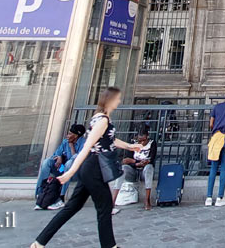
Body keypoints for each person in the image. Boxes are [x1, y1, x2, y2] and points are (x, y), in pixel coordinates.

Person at [30, 87, 142, 248]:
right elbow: (87, 147)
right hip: (94, 168)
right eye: (117, 98)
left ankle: (39, 242)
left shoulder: (98, 118)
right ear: (110, 100)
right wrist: (70, 172)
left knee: (71, 207)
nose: (119, 101)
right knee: (104, 209)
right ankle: (110, 246)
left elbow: (110, 140)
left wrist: (131, 146)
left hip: (90, 168)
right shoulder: (102, 120)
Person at [35, 123, 86, 210]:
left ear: (77, 136)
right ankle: (40, 193)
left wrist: (71, 146)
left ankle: (61, 198)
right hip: (63, 169)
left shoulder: (83, 143)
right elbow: (55, 155)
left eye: (70, 134)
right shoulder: (65, 141)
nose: (67, 135)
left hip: (75, 172)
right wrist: (59, 157)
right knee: (47, 162)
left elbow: (77, 160)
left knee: (69, 163)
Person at [117, 126, 156, 210]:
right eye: (139, 140)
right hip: (133, 170)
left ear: (147, 137)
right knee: (123, 168)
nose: (141, 143)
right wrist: (136, 163)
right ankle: (114, 196)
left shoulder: (152, 143)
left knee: (149, 168)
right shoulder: (132, 144)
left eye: (144, 140)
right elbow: (126, 160)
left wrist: (143, 162)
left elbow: (151, 159)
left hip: (144, 170)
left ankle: (147, 200)